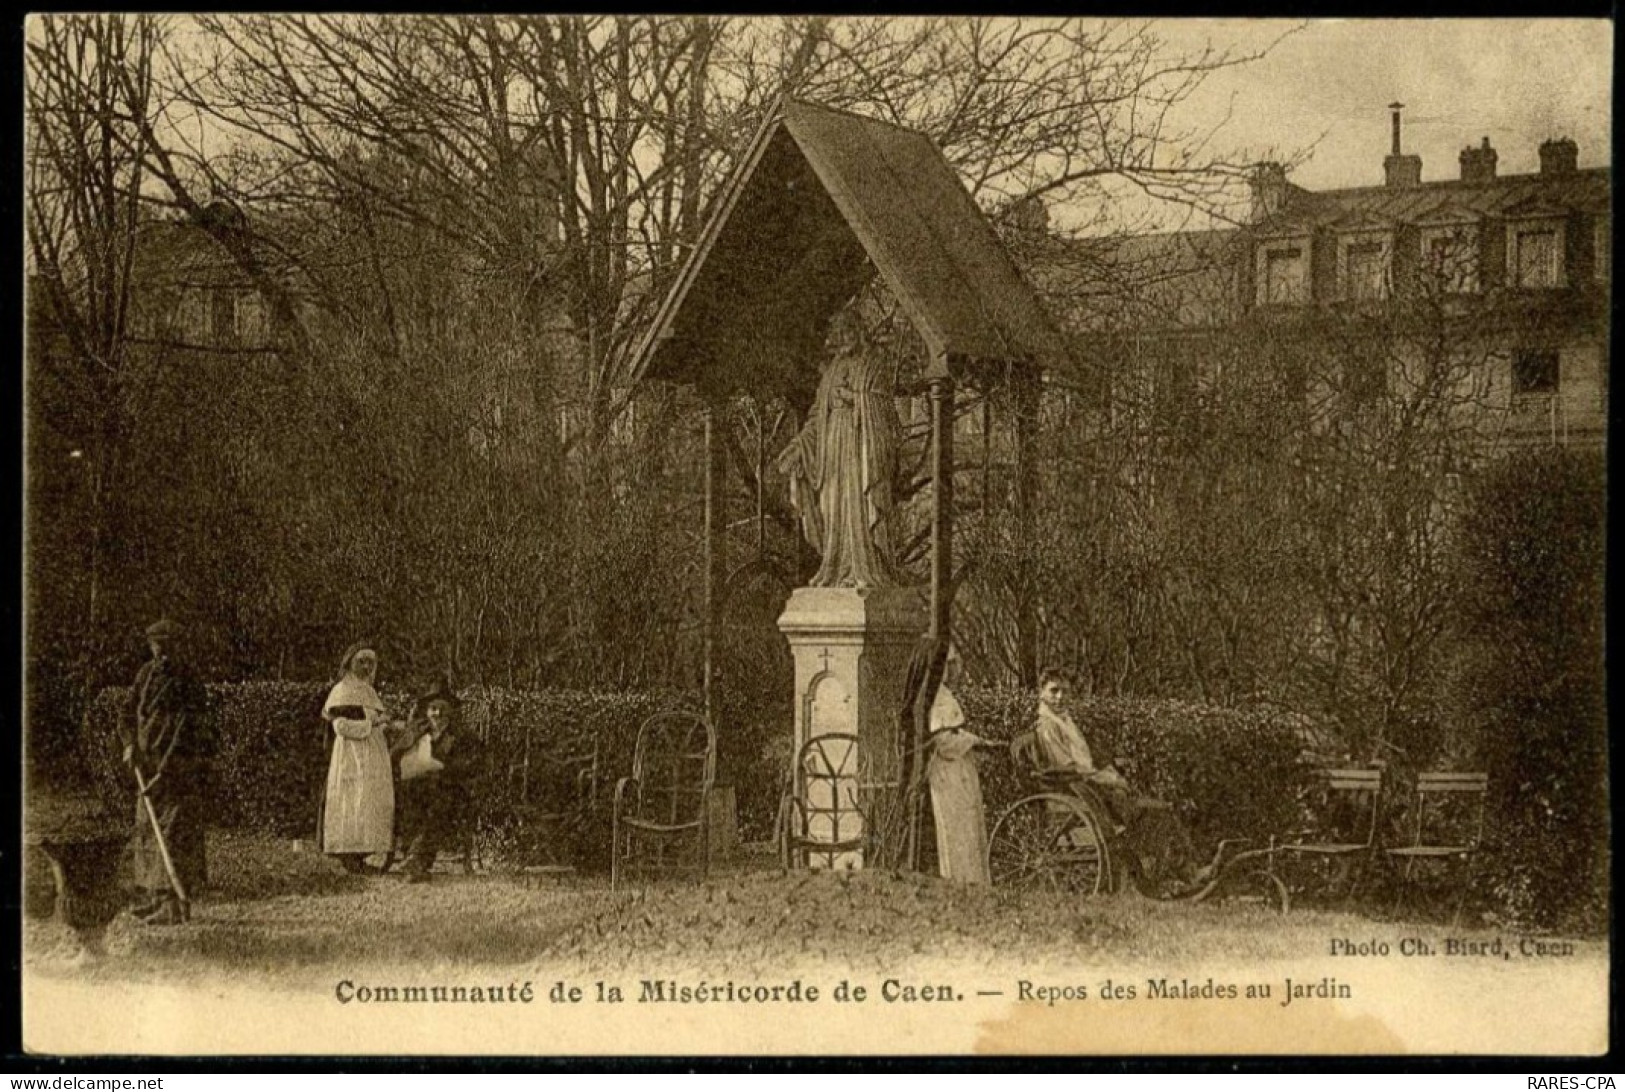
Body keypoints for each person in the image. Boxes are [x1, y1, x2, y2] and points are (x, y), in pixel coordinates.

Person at [1032, 670, 1214, 896]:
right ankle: (1182, 873)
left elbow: (1084, 761)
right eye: (1053, 691)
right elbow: (1068, 767)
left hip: (1091, 788)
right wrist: (1106, 777)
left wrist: (1109, 773)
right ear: (1041, 694)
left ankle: (1174, 875)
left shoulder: (1065, 721)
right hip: (1081, 790)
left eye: (1064, 691)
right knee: (1156, 813)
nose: (1059, 697)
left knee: (1156, 812)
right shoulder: (1048, 726)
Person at [777, 343, 902, 589]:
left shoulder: (872, 367)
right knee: (833, 507)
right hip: (832, 452)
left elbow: (886, 411)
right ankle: (835, 566)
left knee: (858, 504)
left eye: (850, 331)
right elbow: (816, 418)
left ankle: (863, 568)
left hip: (859, 448)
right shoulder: (830, 372)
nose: (845, 338)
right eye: (841, 332)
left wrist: (854, 399)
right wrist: (799, 446)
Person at [118, 617, 216, 926]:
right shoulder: (145, 674)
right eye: (157, 647)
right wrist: (130, 744)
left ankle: (175, 903)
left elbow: (189, 730)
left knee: (174, 833)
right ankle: (155, 896)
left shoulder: (189, 681)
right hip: (145, 765)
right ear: (151, 647)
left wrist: (167, 768)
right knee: (147, 831)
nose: (162, 654)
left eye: (168, 647)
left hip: (176, 769)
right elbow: (126, 712)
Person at [392, 677, 483, 883]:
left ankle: (416, 858)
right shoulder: (416, 732)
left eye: (442, 708)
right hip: (414, 789)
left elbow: (474, 764)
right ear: (426, 711)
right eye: (433, 708)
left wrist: (444, 768)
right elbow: (394, 756)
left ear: (450, 710)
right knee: (410, 797)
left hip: (451, 789)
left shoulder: (462, 736)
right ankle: (415, 859)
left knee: (437, 801)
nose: (438, 714)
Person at [320, 642, 395, 873]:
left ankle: (367, 853)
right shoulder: (342, 691)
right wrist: (371, 724)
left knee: (371, 801)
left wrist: (386, 726)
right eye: (361, 661)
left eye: (370, 663)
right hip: (350, 757)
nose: (365, 667)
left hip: (373, 757)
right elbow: (341, 727)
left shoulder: (369, 691)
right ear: (350, 662)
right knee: (351, 801)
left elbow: (376, 721)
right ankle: (349, 855)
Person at [926, 646, 995, 884]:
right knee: (955, 829)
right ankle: (960, 881)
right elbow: (942, 741)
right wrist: (974, 740)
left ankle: (973, 881)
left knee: (969, 827)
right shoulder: (935, 696)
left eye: (951, 665)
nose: (950, 671)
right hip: (948, 771)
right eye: (945, 665)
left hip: (960, 770)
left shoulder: (944, 694)